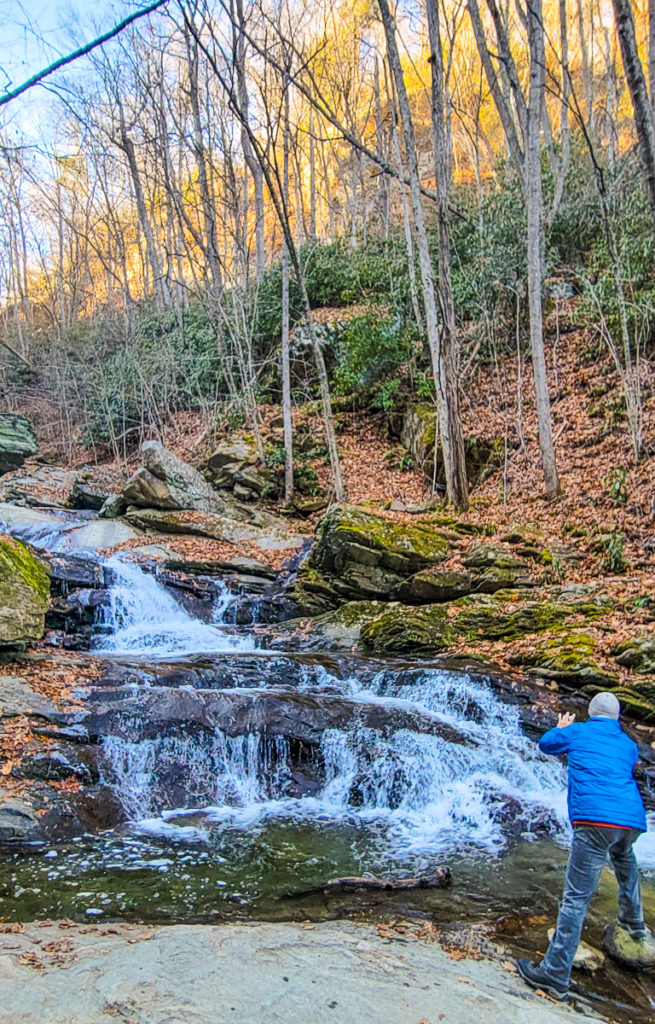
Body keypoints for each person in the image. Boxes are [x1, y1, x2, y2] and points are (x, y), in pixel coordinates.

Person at [516, 691, 648, 1001]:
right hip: (631, 821)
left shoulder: (579, 731)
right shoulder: (629, 745)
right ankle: (635, 924)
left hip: (594, 820)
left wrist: (561, 727)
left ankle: (555, 973)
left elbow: (546, 744)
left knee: (575, 898)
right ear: (616, 718)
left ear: (590, 712)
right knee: (625, 862)